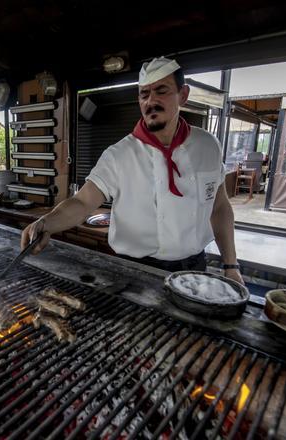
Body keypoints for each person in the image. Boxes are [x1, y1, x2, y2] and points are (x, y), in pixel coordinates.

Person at [21, 56, 243, 284]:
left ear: (183, 95)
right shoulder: (119, 155)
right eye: (144, 94)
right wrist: (46, 223)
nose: (151, 101)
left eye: (161, 91)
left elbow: (220, 206)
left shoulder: (208, 146)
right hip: (134, 271)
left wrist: (231, 265)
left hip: (194, 269)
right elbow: (83, 202)